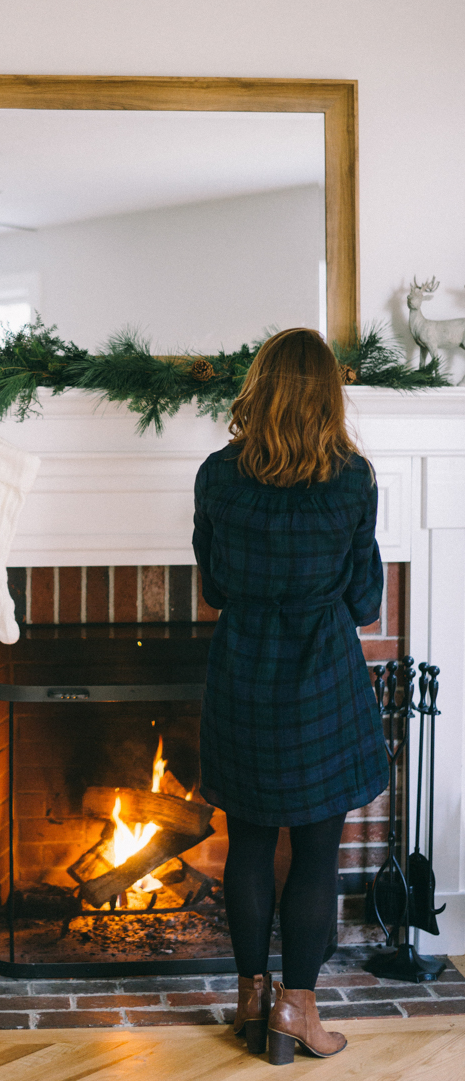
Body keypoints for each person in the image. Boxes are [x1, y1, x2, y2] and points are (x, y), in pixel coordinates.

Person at [192, 328, 388, 1066]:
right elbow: (365, 600)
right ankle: (296, 1012)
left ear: (260, 389)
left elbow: (213, 586)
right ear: (328, 398)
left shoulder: (217, 476)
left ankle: (249, 999)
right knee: (314, 850)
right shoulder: (351, 481)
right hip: (323, 683)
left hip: (241, 674)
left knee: (245, 841)